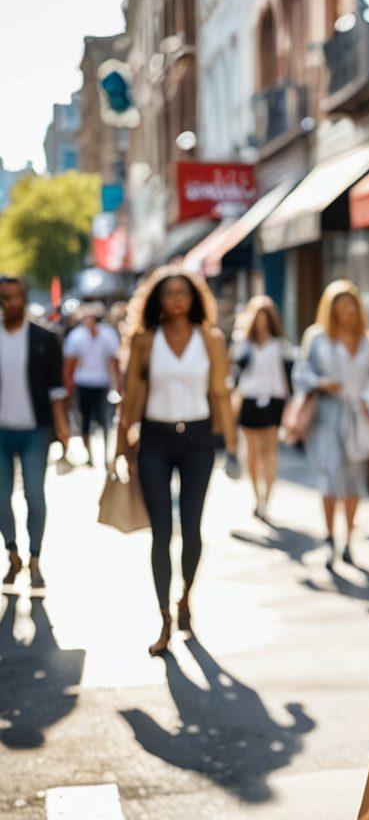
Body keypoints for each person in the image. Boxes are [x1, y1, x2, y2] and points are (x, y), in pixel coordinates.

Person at [116, 267, 238, 656]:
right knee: (160, 532)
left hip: (199, 439)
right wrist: (122, 444)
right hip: (155, 437)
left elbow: (220, 391)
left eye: (183, 293)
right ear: (158, 300)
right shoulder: (145, 339)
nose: (177, 300)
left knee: (192, 526)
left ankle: (187, 595)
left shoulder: (211, 339)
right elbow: (130, 391)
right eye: (169, 293)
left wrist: (232, 441)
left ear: (194, 298)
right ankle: (165, 618)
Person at [293, 280, 369, 569]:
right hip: (326, 415)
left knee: (355, 477)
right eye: (340, 308)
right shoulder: (317, 338)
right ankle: (330, 535)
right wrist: (321, 383)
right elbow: (301, 373)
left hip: (359, 414)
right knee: (330, 476)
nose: (346, 313)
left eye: (350, 307)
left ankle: (349, 538)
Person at [1, 275, 70, 591]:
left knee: (34, 495)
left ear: (25, 299)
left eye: (15, 296)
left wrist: (63, 427)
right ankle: (12, 551)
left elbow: (57, 389)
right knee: (1, 498)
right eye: (4, 297)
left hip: (35, 431)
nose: (10, 303)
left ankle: (35, 558)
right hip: (1, 432)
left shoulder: (44, 337)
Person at [231, 296, 293, 520]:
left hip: (273, 400)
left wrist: (290, 406)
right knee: (252, 452)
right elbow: (236, 374)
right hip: (250, 399)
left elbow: (289, 377)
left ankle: (267, 497)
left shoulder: (281, 346)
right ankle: (257, 495)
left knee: (270, 452)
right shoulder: (243, 345)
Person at [63, 301, 121, 467]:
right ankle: (89, 456)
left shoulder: (107, 334)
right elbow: (70, 364)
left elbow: (114, 361)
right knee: (85, 421)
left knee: (105, 421)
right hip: (83, 384)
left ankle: (104, 456)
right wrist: (68, 387)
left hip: (102, 384)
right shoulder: (76, 336)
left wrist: (117, 386)